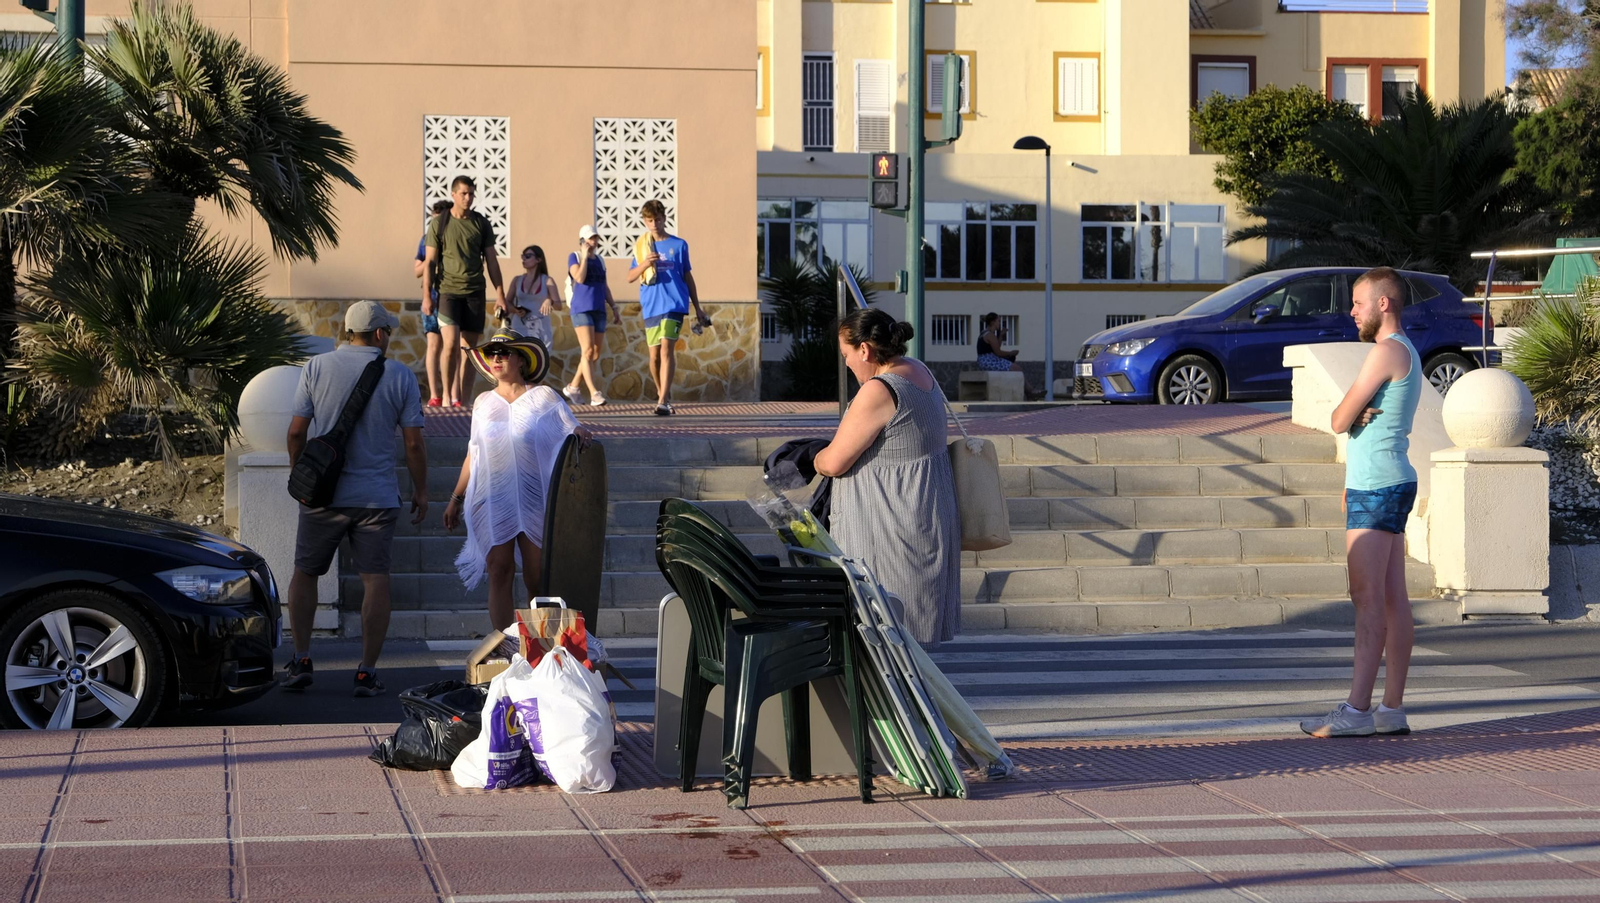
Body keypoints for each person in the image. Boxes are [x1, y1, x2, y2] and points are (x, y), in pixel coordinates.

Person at [283, 301, 428, 698]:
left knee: (306, 572)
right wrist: (420, 489)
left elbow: (297, 432)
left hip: (323, 496)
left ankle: (301, 658)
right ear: (380, 333)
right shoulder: (399, 375)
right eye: (390, 333)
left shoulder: (316, 367)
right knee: (375, 579)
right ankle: (366, 672)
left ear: (349, 331)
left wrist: (302, 478)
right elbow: (413, 443)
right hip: (377, 497)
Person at [1301, 266, 1421, 738]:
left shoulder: (1386, 351)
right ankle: (1391, 710)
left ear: (1383, 304)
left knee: (1367, 597)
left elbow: (1337, 418)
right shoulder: (1405, 350)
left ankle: (1356, 712)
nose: (1351, 311)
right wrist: (1356, 415)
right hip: (1392, 481)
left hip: (1375, 487)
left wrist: (1351, 416)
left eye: (1358, 303)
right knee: (1393, 599)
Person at [814, 308, 960, 647]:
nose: (847, 364)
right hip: (923, 518)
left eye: (847, 356)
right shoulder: (920, 372)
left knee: (889, 640)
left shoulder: (880, 389)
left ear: (864, 349)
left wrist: (815, 456)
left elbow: (835, 462)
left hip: (889, 527)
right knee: (911, 645)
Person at [442, 329, 591, 631]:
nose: (496, 358)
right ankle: (505, 643)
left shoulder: (544, 398)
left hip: (535, 500)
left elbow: (570, 427)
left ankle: (537, 643)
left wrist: (579, 432)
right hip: (494, 498)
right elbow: (475, 453)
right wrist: (455, 498)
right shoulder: (483, 403)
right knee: (499, 570)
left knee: (537, 577)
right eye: (491, 353)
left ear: (522, 360)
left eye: (504, 352)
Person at [422, 175, 508, 408]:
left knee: (469, 350)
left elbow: (492, 261)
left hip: (475, 292)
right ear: (453, 195)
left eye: (471, 193)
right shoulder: (440, 224)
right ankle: (448, 397)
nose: (468, 198)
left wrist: (500, 293)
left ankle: (463, 399)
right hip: (448, 291)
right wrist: (427, 296)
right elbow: (429, 262)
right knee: (449, 345)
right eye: (463, 193)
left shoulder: (481, 223)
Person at [627, 199, 710, 415]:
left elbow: (687, 276)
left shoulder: (679, 245)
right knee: (653, 357)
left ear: (664, 218)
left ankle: (662, 399)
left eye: (657, 219)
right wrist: (645, 263)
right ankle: (663, 393)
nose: (654, 223)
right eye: (649, 220)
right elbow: (630, 277)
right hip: (651, 305)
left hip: (674, 304)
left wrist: (698, 308)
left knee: (666, 349)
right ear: (645, 221)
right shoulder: (641, 246)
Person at [564, 225, 621, 406]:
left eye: (595, 238)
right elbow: (579, 278)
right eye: (590, 238)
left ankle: (573, 387)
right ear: (582, 240)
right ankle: (594, 393)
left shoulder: (601, 260)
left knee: (594, 354)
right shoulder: (574, 256)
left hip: (599, 309)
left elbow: (604, 286)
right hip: (581, 308)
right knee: (587, 350)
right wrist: (584, 257)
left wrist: (613, 306)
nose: (593, 242)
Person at [414, 199, 454, 406]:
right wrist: (432, 259)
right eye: (433, 219)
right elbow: (417, 270)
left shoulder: (454, 237)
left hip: (453, 295)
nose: (436, 223)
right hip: (433, 297)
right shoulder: (425, 239)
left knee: (452, 346)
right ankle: (434, 395)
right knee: (433, 345)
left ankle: (452, 394)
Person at [504, 244, 561, 351]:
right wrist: (515, 310)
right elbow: (507, 302)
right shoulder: (517, 280)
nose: (524, 259)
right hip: (519, 329)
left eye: (528, 256)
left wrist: (549, 301)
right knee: (519, 363)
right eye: (523, 256)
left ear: (538, 259)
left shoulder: (547, 281)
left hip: (541, 331)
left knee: (540, 364)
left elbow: (559, 306)